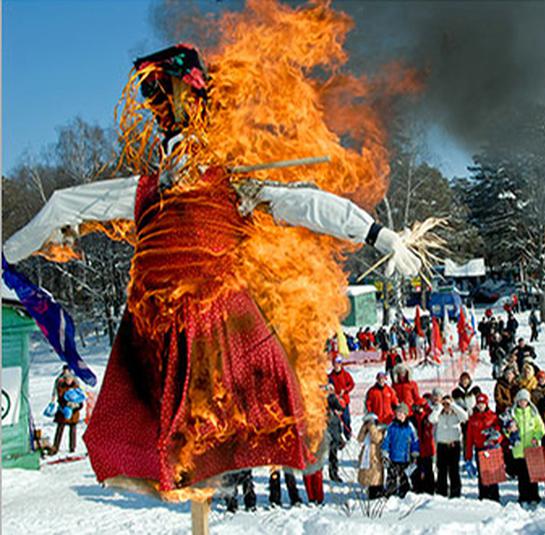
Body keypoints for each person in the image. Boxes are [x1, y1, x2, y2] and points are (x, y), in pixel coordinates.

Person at [13, 43, 430, 495]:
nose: (177, 155)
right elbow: (61, 205)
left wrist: (380, 235)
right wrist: (9, 256)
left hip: (219, 324)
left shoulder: (233, 184)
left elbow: (307, 203)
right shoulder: (145, 191)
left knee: (226, 422)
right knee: (147, 433)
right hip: (155, 328)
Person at [465, 393, 503, 502]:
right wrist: (468, 457)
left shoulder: (493, 417)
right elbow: (469, 439)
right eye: (479, 404)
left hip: (491, 449)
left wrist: (495, 439)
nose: (481, 406)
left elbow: (500, 434)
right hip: (480, 449)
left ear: (486, 404)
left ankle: (494, 497)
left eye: (483, 404)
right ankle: (483, 496)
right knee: (482, 475)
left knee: (492, 474)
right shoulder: (473, 419)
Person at [510, 389, 545, 504]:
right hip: (519, 449)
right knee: (522, 476)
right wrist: (510, 431)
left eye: (524, 400)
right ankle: (523, 496)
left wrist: (536, 437)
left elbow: (540, 428)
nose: (522, 403)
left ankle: (534, 496)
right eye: (520, 401)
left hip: (531, 448)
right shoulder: (513, 414)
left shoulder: (533, 414)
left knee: (532, 474)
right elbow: (507, 431)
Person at [429, 394, 468, 498]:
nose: (447, 406)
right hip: (442, 445)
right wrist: (440, 407)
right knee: (441, 470)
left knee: (454, 470)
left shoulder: (456, 414)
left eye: (448, 404)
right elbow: (431, 419)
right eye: (445, 404)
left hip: (454, 445)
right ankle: (442, 492)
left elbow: (465, 417)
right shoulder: (439, 414)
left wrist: (453, 405)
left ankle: (455, 493)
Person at [382, 403, 420, 498]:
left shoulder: (410, 427)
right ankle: (390, 493)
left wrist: (415, 453)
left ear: (406, 414)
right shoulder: (391, 427)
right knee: (392, 476)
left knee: (404, 476)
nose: (399, 415)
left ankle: (404, 493)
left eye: (401, 413)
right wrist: (385, 453)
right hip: (393, 457)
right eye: (398, 413)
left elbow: (415, 441)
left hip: (405, 457)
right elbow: (386, 440)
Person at [49, 367, 84, 455]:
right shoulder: (61, 386)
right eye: (67, 378)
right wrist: (66, 405)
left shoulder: (76, 386)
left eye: (70, 378)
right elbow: (60, 399)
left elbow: (81, 399)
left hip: (74, 412)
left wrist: (77, 406)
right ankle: (56, 446)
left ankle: (72, 447)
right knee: (60, 428)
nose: (68, 380)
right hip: (63, 411)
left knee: (73, 429)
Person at [357, 413, 385, 499]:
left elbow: (376, 438)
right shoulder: (366, 429)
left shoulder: (381, 429)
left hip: (375, 456)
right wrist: (364, 427)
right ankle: (371, 493)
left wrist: (372, 427)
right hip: (367, 455)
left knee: (376, 477)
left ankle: (378, 493)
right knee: (368, 477)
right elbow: (359, 438)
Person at [328, 356, 355, 440]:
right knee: (336, 420)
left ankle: (348, 434)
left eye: (338, 363)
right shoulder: (330, 376)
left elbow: (352, 384)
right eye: (335, 364)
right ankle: (339, 437)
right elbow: (328, 387)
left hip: (344, 401)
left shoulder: (346, 375)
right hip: (335, 402)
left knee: (346, 419)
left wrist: (345, 390)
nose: (336, 365)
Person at [326, 389, 346, 482]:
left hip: (334, 434)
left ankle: (334, 473)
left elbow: (338, 428)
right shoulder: (329, 400)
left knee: (333, 455)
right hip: (327, 434)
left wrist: (340, 438)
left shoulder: (336, 416)